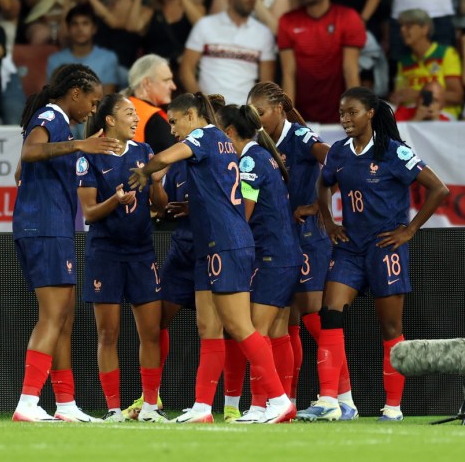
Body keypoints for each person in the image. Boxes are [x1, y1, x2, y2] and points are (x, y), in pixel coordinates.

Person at [128, 92, 295, 424]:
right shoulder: (222, 142)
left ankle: (279, 400)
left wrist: (146, 171)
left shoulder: (204, 135)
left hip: (227, 244)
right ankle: (203, 407)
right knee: (208, 328)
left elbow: (168, 156)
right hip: (210, 245)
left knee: (238, 325)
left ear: (192, 115)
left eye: (174, 121)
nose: (173, 129)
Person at [296, 86, 449, 422]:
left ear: (370, 114)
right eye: (342, 113)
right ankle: (330, 401)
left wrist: (409, 231)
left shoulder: (393, 152)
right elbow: (324, 184)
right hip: (350, 246)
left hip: (384, 247)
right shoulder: (338, 152)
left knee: (390, 327)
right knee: (330, 313)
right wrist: (329, 221)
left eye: (352, 112)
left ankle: (393, 408)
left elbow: (439, 189)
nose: (345, 119)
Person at [11, 63, 117, 423]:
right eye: (92, 100)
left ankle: (66, 404)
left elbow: (20, 171)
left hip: (47, 225)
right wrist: (80, 145)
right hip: (45, 227)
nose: (93, 109)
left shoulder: (54, 121)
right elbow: (28, 152)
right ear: (75, 93)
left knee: (64, 318)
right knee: (54, 315)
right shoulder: (51, 116)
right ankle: (28, 401)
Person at [246, 80, 357, 418]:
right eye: (252, 115)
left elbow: (338, 163)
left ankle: (342, 399)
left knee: (313, 318)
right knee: (287, 322)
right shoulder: (258, 144)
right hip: (277, 240)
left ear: (279, 108)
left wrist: (316, 207)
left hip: (308, 237)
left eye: (261, 113)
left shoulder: (300, 137)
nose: (257, 120)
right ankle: (286, 400)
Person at [77, 93, 169, 423]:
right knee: (108, 334)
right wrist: (115, 201)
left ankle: (149, 407)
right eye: (129, 113)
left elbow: (159, 205)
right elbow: (88, 212)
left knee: (151, 332)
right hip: (106, 254)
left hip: (142, 252)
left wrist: (156, 182)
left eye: (136, 114)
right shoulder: (90, 156)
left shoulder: (145, 153)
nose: (136, 119)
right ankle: (114, 409)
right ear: (110, 121)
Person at [216, 103, 301, 423]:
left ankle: (262, 405)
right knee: (277, 332)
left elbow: (245, 211)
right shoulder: (265, 156)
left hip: (271, 257)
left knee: (254, 332)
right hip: (286, 255)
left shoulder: (250, 159)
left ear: (229, 133)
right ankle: (282, 401)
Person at [277, 0, 365, 124]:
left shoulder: (348, 17)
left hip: (339, 117)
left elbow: (350, 71)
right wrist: (289, 121)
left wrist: (354, 116)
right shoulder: (287, 21)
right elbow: (288, 73)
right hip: (302, 116)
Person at [180, 0, 276, 104]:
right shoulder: (205, 25)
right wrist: (202, 104)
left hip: (245, 114)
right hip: (208, 111)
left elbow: (266, 84)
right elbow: (186, 69)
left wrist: (253, 113)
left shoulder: (264, 33)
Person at [129, 0, 205, 73]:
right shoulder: (150, 11)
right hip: (155, 73)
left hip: (184, 72)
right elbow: (132, 27)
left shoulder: (196, 7)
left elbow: (202, 25)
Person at [390, 8, 464, 121]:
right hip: (410, 113)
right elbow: (399, 96)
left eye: (408, 26)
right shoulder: (404, 61)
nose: (402, 30)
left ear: (425, 29)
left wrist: (418, 95)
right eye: (401, 26)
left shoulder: (446, 54)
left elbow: (457, 96)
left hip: (442, 112)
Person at [77, 0, 143, 81]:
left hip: (124, 75)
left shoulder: (141, 11)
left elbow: (115, 22)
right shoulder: (101, 10)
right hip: (95, 70)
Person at [46, 4, 120, 95]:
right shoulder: (55, 60)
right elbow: (54, 96)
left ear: (94, 28)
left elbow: (107, 97)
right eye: (75, 24)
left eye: (85, 23)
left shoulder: (108, 58)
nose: (80, 29)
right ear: (68, 29)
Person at [124, 54, 178, 153]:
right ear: (147, 83)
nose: (173, 86)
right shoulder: (154, 120)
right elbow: (170, 165)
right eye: (166, 80)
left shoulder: (114, 110)